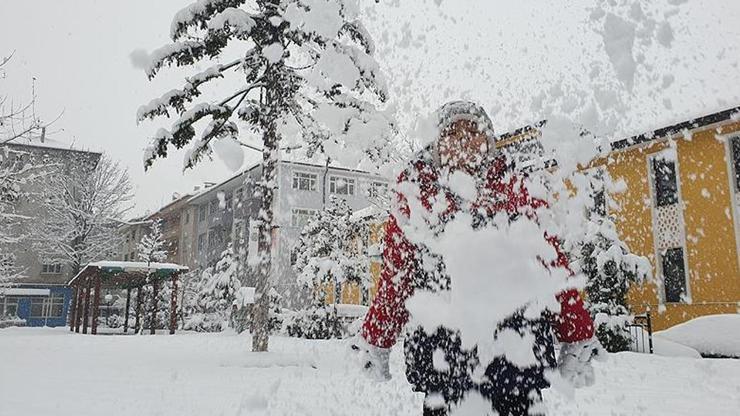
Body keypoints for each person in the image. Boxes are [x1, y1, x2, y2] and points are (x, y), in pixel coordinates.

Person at [352, 101, 603, 416]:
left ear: (489, 141)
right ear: (436, 144)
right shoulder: (417, 194)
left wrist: (577, 331)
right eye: (452, 132)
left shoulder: (515, 188)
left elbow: (550, 263)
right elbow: (396, 276)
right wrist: (377, 337)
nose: (463, 140)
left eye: (473, 131)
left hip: (516, 355)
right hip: (443, 357)